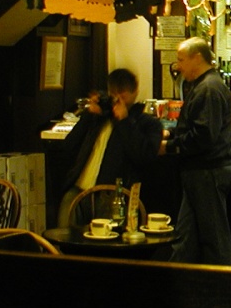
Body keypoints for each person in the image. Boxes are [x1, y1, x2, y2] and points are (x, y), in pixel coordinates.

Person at [160, 37, 231, 264]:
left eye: (181, 60)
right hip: (200, 170)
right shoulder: (207, 85)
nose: (178, 66)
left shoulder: (208, 88)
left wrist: (171, 146)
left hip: (208, 170)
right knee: (186, 237)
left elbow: (204, 136)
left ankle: (223, 289)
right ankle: (182, 288)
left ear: (197, 58)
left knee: (214, 239)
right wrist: (172, 135)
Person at [57, 68, 162, 228]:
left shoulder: (146, 123)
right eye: (114, 94)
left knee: (105, 242)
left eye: (123, 94)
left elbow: (144, 156)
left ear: (135, 93)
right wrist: (88, 116)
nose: (118, 99)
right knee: (63, 236)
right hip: (79, 190)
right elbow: (68, 147)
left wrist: (124, 121)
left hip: (112, 194)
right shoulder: (99, 118)